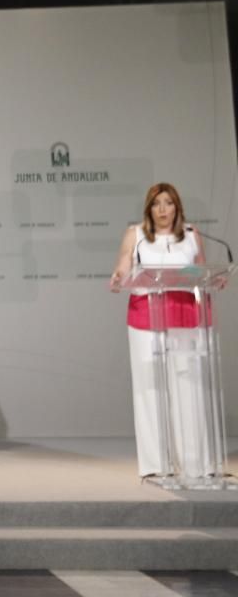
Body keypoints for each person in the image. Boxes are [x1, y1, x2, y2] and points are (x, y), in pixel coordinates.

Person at [110, 182, 210, 478]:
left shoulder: (192, 235)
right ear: (148, 208)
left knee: (188, 389)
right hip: (146, 319)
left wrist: (208, 280)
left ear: (177, 207)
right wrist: (118, 277)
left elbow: (203, 272)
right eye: (157, 203)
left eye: (168, 202)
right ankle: (156, 465)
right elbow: (123, 269)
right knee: (150, 388)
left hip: (185, 314)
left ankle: (194, 464)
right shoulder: (136, 235)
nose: (163, 209)